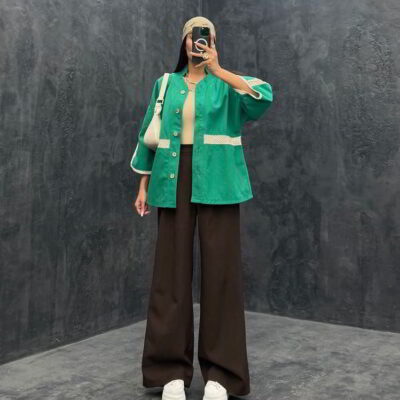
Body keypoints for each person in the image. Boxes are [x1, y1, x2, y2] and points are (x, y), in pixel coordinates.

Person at [131, 16, 273, 400]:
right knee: (170, 276)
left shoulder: (226, 83)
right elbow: (148, 134)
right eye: (193, 36)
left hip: (219, 181)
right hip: (171, 178)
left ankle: (221, 375)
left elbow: (263, 98)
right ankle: (170, 372)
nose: (198, 42)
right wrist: (143, 184)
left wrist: (219, 69)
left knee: (222, 276)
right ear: (183, 42)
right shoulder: (166, 83)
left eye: (205, 36)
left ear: (213, 41)